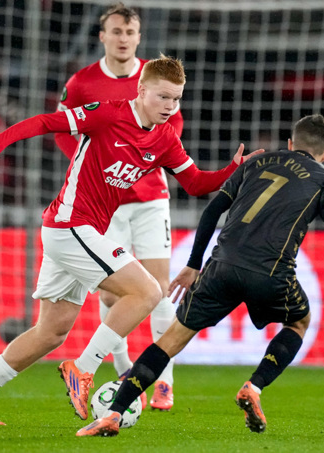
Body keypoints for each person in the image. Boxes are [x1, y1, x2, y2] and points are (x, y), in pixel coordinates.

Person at [0, 55, 264, 426]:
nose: (170, 106)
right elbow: (46, 122)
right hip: (70, 225)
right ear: (142, 90)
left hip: (78, 232)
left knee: (50, 332)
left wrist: (233, 171)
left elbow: (195, 183)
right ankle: (83, 369)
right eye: (163, 96)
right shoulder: (106, 114)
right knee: (147, 292)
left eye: (176, 99)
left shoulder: (165, 137)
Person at [76, 114, 324, 437]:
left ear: (290, 143)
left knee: (169, 341)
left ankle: (113, 413)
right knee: (299, 322)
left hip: (221, 267)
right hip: (271, 272)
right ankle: (253, 387)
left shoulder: (256, 162)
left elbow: (213, 210)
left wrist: (193, 264)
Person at [54, 3, 183, 411]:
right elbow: (63, 131)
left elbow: (172, 127)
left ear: (139, 37)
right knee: (113, 295)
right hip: (103, 204)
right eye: (116, 31)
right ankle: (124, 367)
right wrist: (93, 168)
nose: (123, 38)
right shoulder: (81, 83)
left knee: (160, 288)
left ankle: (163, 381)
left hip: (150, 198)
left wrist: (140, 163)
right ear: (103, 36)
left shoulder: (155, 79)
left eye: (130, 32)